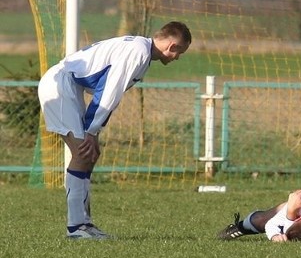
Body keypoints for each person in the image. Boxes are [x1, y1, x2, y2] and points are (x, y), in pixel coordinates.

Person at [38, 21, 192, 240]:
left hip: (70, 86)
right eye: (180, 52)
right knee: (83, 153)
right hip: (60, 85)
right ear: (172, 46)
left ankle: (84, 224)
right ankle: (76, 227)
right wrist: (91, 132)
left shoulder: (141, 51)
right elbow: (110, 90)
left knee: (88, 154)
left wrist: (95, 131)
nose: (177, 58)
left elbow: (110, 94)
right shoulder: (138, 52)